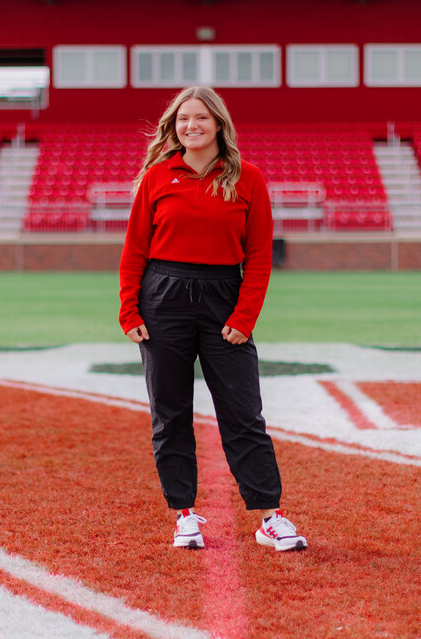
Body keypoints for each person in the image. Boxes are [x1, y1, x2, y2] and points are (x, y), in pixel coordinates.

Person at [118, 85, 307, 552]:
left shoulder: (248, 179)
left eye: (201, 118)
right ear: (174, 126)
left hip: (225, 297)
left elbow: (259, 257)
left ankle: (270, 517)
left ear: (219, 123)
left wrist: (245, 315)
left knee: (243, 414)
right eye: (183, 119)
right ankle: (183, 514)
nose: (191, 126)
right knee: (170, 412)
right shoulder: (157, 176)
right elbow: (134, 250)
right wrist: (129, 308)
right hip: (163, 297)